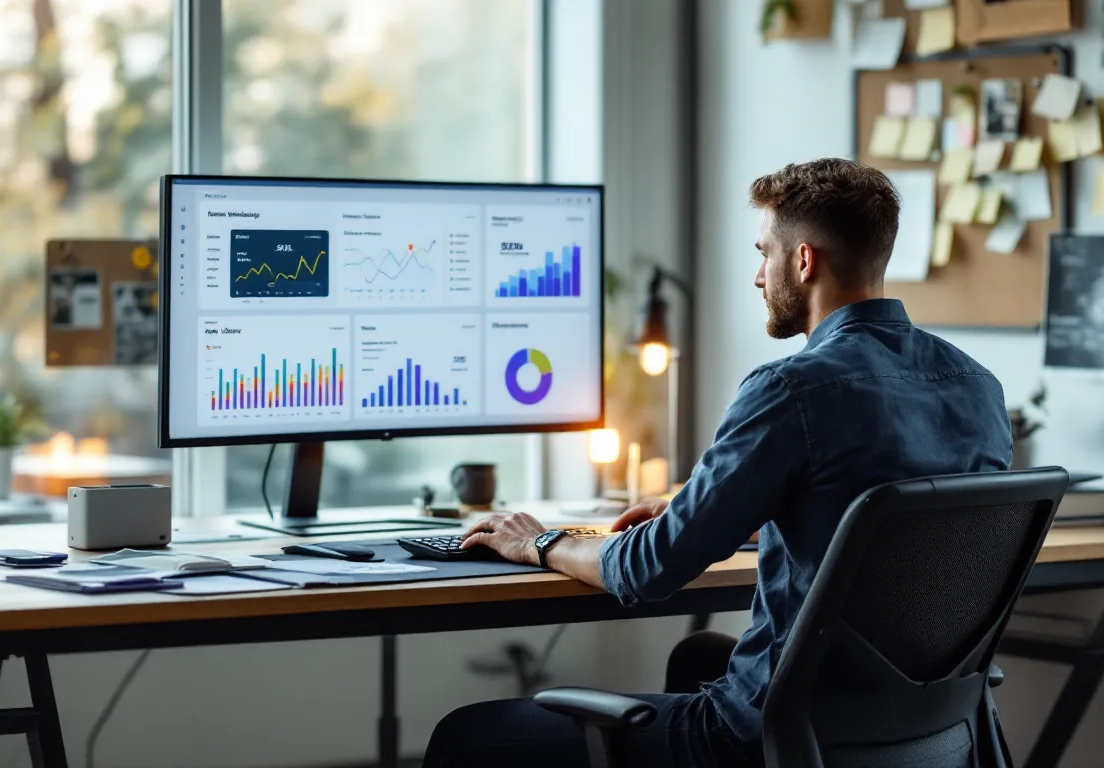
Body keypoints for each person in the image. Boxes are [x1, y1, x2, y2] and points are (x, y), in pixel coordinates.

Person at [423, 159, 1012, 767]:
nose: (760, 276)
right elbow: (888, 525)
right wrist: (726, 514)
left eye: (765, 254)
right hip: (922, 732)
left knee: (465, 734)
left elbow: (650, 569)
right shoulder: (978, 386)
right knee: (701, 654)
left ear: (803, 261)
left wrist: (540, 541)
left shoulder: (792, 389)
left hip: (775, 735)